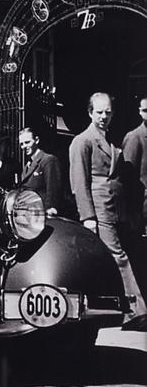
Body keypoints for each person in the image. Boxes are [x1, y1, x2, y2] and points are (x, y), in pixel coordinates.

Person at [69, 92, 147, 328]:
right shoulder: (82, 141)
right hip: (99, 208)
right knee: (118, 256)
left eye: (108, 112)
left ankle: (116, 308)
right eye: (99, 112)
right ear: (90, 113)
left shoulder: (110, 140)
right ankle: (135, 311)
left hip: (116, 209)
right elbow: (79, 181)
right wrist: (88, 216)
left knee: (114, 256)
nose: (104, 117)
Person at [18, 127, 63, 216]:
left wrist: (50, 208)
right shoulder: (27, 165)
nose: (24, 146)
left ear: (36, 140)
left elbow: (53, 189)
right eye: (21, 144)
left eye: (27, 142)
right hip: (30, 214)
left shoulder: (48, 160)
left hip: (43, 214)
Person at [122, 96, 147, 234]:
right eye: (146, 110)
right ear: (140, 112)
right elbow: (128, 178)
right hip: (141, 209)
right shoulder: (135, 137)